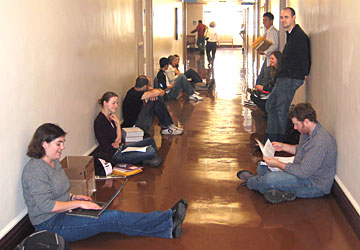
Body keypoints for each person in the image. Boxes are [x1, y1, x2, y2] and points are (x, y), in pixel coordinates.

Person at [22, 123, 188, 242]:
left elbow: (58, 191)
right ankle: (166, 222)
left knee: (110, 214)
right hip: (51, 224)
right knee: (113, 218)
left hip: (64, 212)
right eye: (58, 143)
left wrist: (73, 196)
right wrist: (78, 203)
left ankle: (166, 222)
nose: (62, 148)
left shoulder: (53, 161)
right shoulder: (35, 169)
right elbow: (46, 206)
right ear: (44, 144)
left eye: (63, 143)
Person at [237, 103, 337, 204]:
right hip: (300, 171)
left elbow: (303, 172)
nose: (294, 127)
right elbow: (301, 150)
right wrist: (283, 147)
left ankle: (252, 181)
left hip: (313, 185)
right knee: (262, 166)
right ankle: (277, 189)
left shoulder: (319, 142)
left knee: (270, 179)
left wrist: (278, 164)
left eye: (296, 124)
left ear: (306, 122)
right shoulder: (307, 131)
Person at [264, 7, 311, 143]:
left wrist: (305, 73)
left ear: (294, 17)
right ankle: (272, 138)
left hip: (290, 78)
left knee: (280, 109)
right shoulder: (291, 34)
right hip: (284, 76)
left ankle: (279, 140)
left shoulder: (299, 36)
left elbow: (304, 57)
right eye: (282, 17)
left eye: (286, 17)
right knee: (271, 105)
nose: (283, 20)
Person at [94, 91, 161, 167]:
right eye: (113, 103)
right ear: (105, 103)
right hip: (116, 155)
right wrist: (117, 142)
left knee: (150, 140)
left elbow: (119, 139)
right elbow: (107, 146)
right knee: (151, 151)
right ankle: (149, 158)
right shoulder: (100, 121)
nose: (116, 106)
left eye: (117, 103)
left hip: (121, 148)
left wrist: (118, 124)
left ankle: (147, 159)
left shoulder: (111, 117)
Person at [249, 51, 282, 115]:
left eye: (272, 59)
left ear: (278, 60)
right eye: (270, 59)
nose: (270, 61)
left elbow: (275, 88)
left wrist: (263, 88)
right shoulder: (272, 70)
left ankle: (267, 112)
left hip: (275, 94)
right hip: (271, 92)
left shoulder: (279, 72)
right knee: (253, 96)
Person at [257, 12, 279, 77]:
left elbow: (275, 45)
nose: (264, 22)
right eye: (263, 20)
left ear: (271, 21)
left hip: (271, 59)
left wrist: (264, 52)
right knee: (262, 76)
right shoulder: (267, 31)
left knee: (266, 77)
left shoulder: (273, 32)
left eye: (266, 20)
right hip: (267, 58)